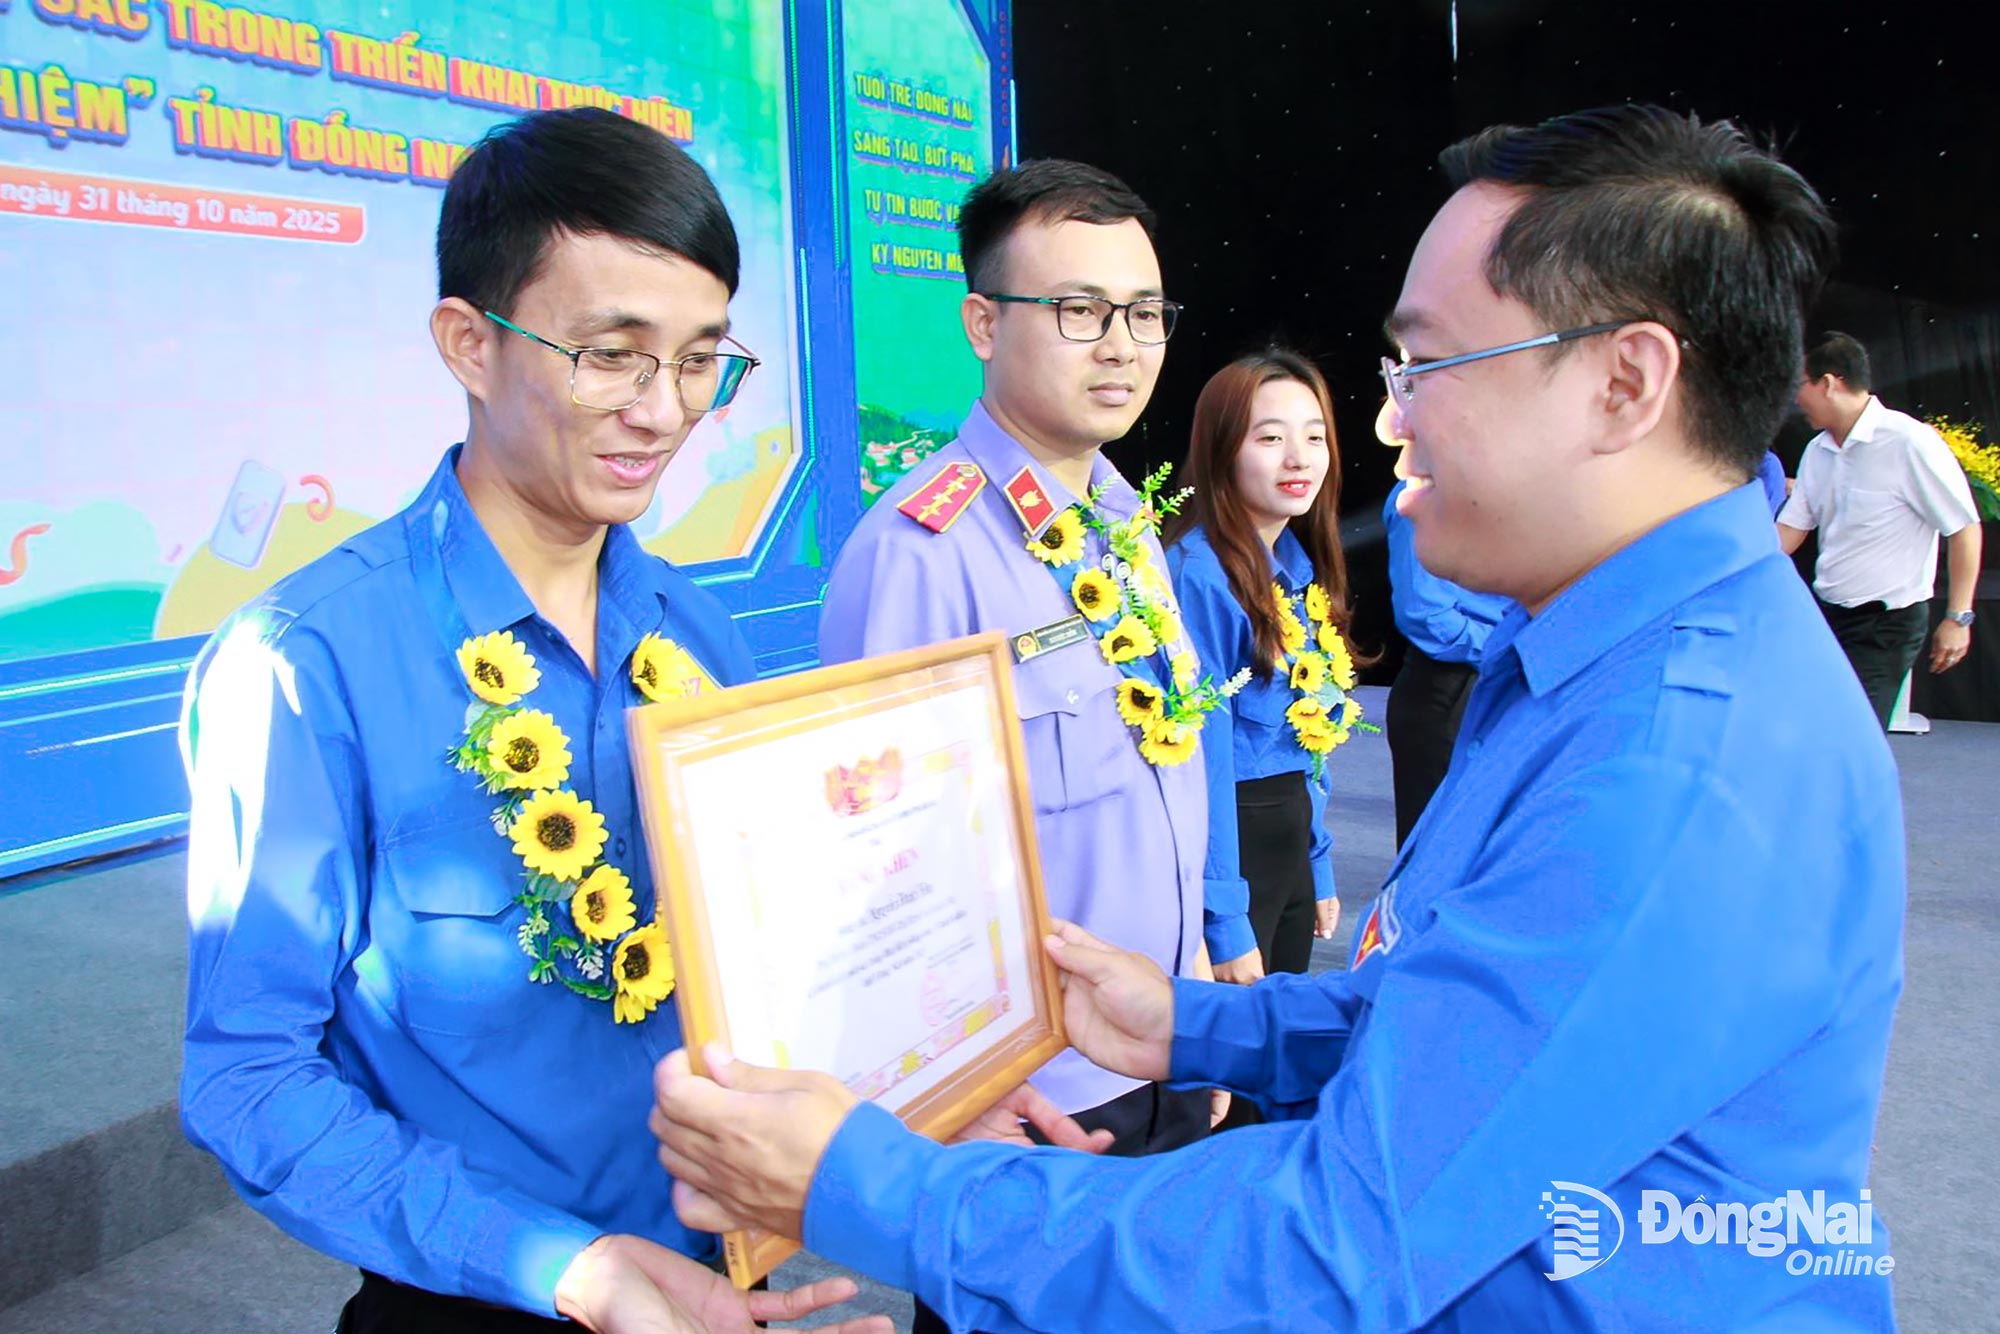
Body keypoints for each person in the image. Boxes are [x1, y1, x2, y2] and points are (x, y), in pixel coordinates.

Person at [651, 104, 1904, 1331]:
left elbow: (1337, 1241)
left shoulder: (1672, 759)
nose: (1389, 420)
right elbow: (1453, 1023)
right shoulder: (1616, 666)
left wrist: (869, 1186)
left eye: (1425, 366)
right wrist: (1197, 1023)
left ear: (1622, 382)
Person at [178, 108, 883, 1334]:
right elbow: (247, 1074)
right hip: (487, 1294)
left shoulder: (696, 636)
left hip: (722, 1280)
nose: (663, 411)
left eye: (699, 359)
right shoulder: (308, 660)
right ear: (468, 342)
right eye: (611, 354)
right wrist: (559, 1262)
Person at [815, 158, 1221, 1332]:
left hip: (1162, 1053)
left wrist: (1199, 1008)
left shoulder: (1124, 523)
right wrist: (950, 1100)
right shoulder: (920, 551)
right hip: (1033, 1109)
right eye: (1079, 310)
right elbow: (872, 866)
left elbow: (1160, 784)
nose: (1121, 346)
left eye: (1143, 312)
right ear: (983, 325)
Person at [1165, 348, 1358, 1000]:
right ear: (1221, 450)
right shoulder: (1200, 576)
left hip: (1288, 841)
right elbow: (1204, 756)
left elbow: (1307, 737)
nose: (1298, 458)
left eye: (1314, 437)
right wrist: (1223, 920)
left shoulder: (1297, 567)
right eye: (1271, 438)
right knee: (1231, 1052)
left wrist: (1317, 861)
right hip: (1235, 852)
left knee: (1277, 1043)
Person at [1778, 331, 1982, 727]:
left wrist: (1958, 618)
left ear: (1829, 383)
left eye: (1800, 385)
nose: (1796, 399)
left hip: (1884, 625)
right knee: (1811, 729)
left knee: (1853, 734)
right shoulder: (1818, 450)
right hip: (1827, 615)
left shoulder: (1908, 442)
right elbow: (1790, 529)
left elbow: (1963, 529)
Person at [1380, 475, 1511, 847]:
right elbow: (1425, 614)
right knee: (1439, 847)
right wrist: (1510, 644)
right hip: (1450, 686)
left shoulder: (1514, 483)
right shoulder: (1423, 490)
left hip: (1505, 680)